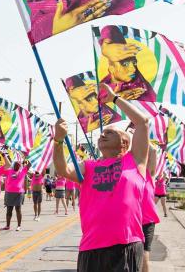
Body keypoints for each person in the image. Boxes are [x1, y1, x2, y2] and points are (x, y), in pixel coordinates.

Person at [53, 83, 150, 272]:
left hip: (127, 245)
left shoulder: (135, 160)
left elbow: (143, 122)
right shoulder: (89, 166)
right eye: (102, 133)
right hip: (92, 248)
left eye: (109, 132)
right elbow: (63, 169)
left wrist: (114, 98)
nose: (102, 135)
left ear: (125, 142)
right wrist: (57, 141)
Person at [99, 26, 157, 101]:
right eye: (125, 64)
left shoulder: (140, 86)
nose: (133, 69)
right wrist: (105, 46)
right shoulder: (100, 88)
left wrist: (117, 100)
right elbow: (110, 29)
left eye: (134, 62)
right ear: (111, 68)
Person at [141, 146, 160, 272]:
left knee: (144, 252)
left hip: (147, 221)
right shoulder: (128, 173)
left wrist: (138, 133)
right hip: (129, 220)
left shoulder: (150, 174)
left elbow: (153, 151)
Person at [2, 160, 31, 231]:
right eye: (16, 164)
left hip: (19, 193)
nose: (17, 166)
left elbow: (29, 164)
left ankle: (19, 225)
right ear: (13, 165)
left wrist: (27, 158)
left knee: (18, 209)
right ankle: (7, 225)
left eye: (19, 165)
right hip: (9, 193)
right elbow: (2, 169)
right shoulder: (9, 171)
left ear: (20, 166)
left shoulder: (23, 171)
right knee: (9, 210)